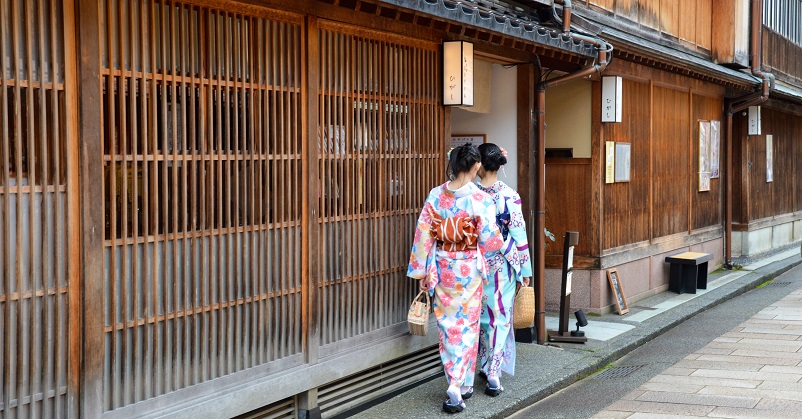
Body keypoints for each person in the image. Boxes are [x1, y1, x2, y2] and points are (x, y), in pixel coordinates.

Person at [407, 144, 503, 413]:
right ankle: (458, 385)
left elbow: (423, 234)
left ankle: (458, 382)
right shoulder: (480, 199)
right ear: (475, 167)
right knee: (468, 326)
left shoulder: (436, 195)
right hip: (469, 270)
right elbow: (491, 240)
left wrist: (421, 272)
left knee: (449, 326)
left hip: (442, 268)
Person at [475, 143, 533, 397]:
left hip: (474, 263)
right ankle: (494, 373)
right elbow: (518, 233)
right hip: (503, 264)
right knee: (498, 319)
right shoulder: (510, 195)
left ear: (479, 165)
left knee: (477, 318)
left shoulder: (471, 194)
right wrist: (525, 268)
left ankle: (484, 365)